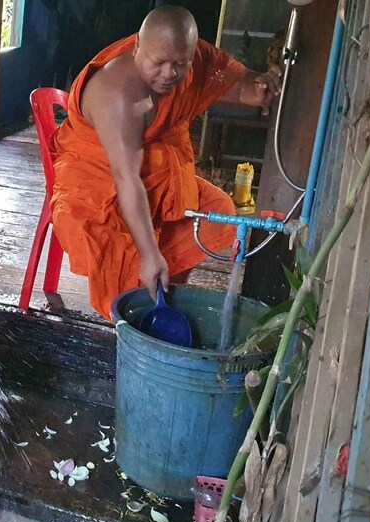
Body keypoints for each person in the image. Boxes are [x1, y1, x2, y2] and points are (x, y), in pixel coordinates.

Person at [49, 6, 281, 319]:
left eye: (179, 64)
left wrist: (262, 87)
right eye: (158, 63)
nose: (170, 74)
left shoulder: (195, 61)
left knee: (217, 213)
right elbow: (126, 179)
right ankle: (137, 314)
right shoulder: (119, 92)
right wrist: (148, 253)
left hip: (154, 173)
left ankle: (166, 293)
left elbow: (233, 83)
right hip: (98, 187)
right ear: (136, 48)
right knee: (125, 266)